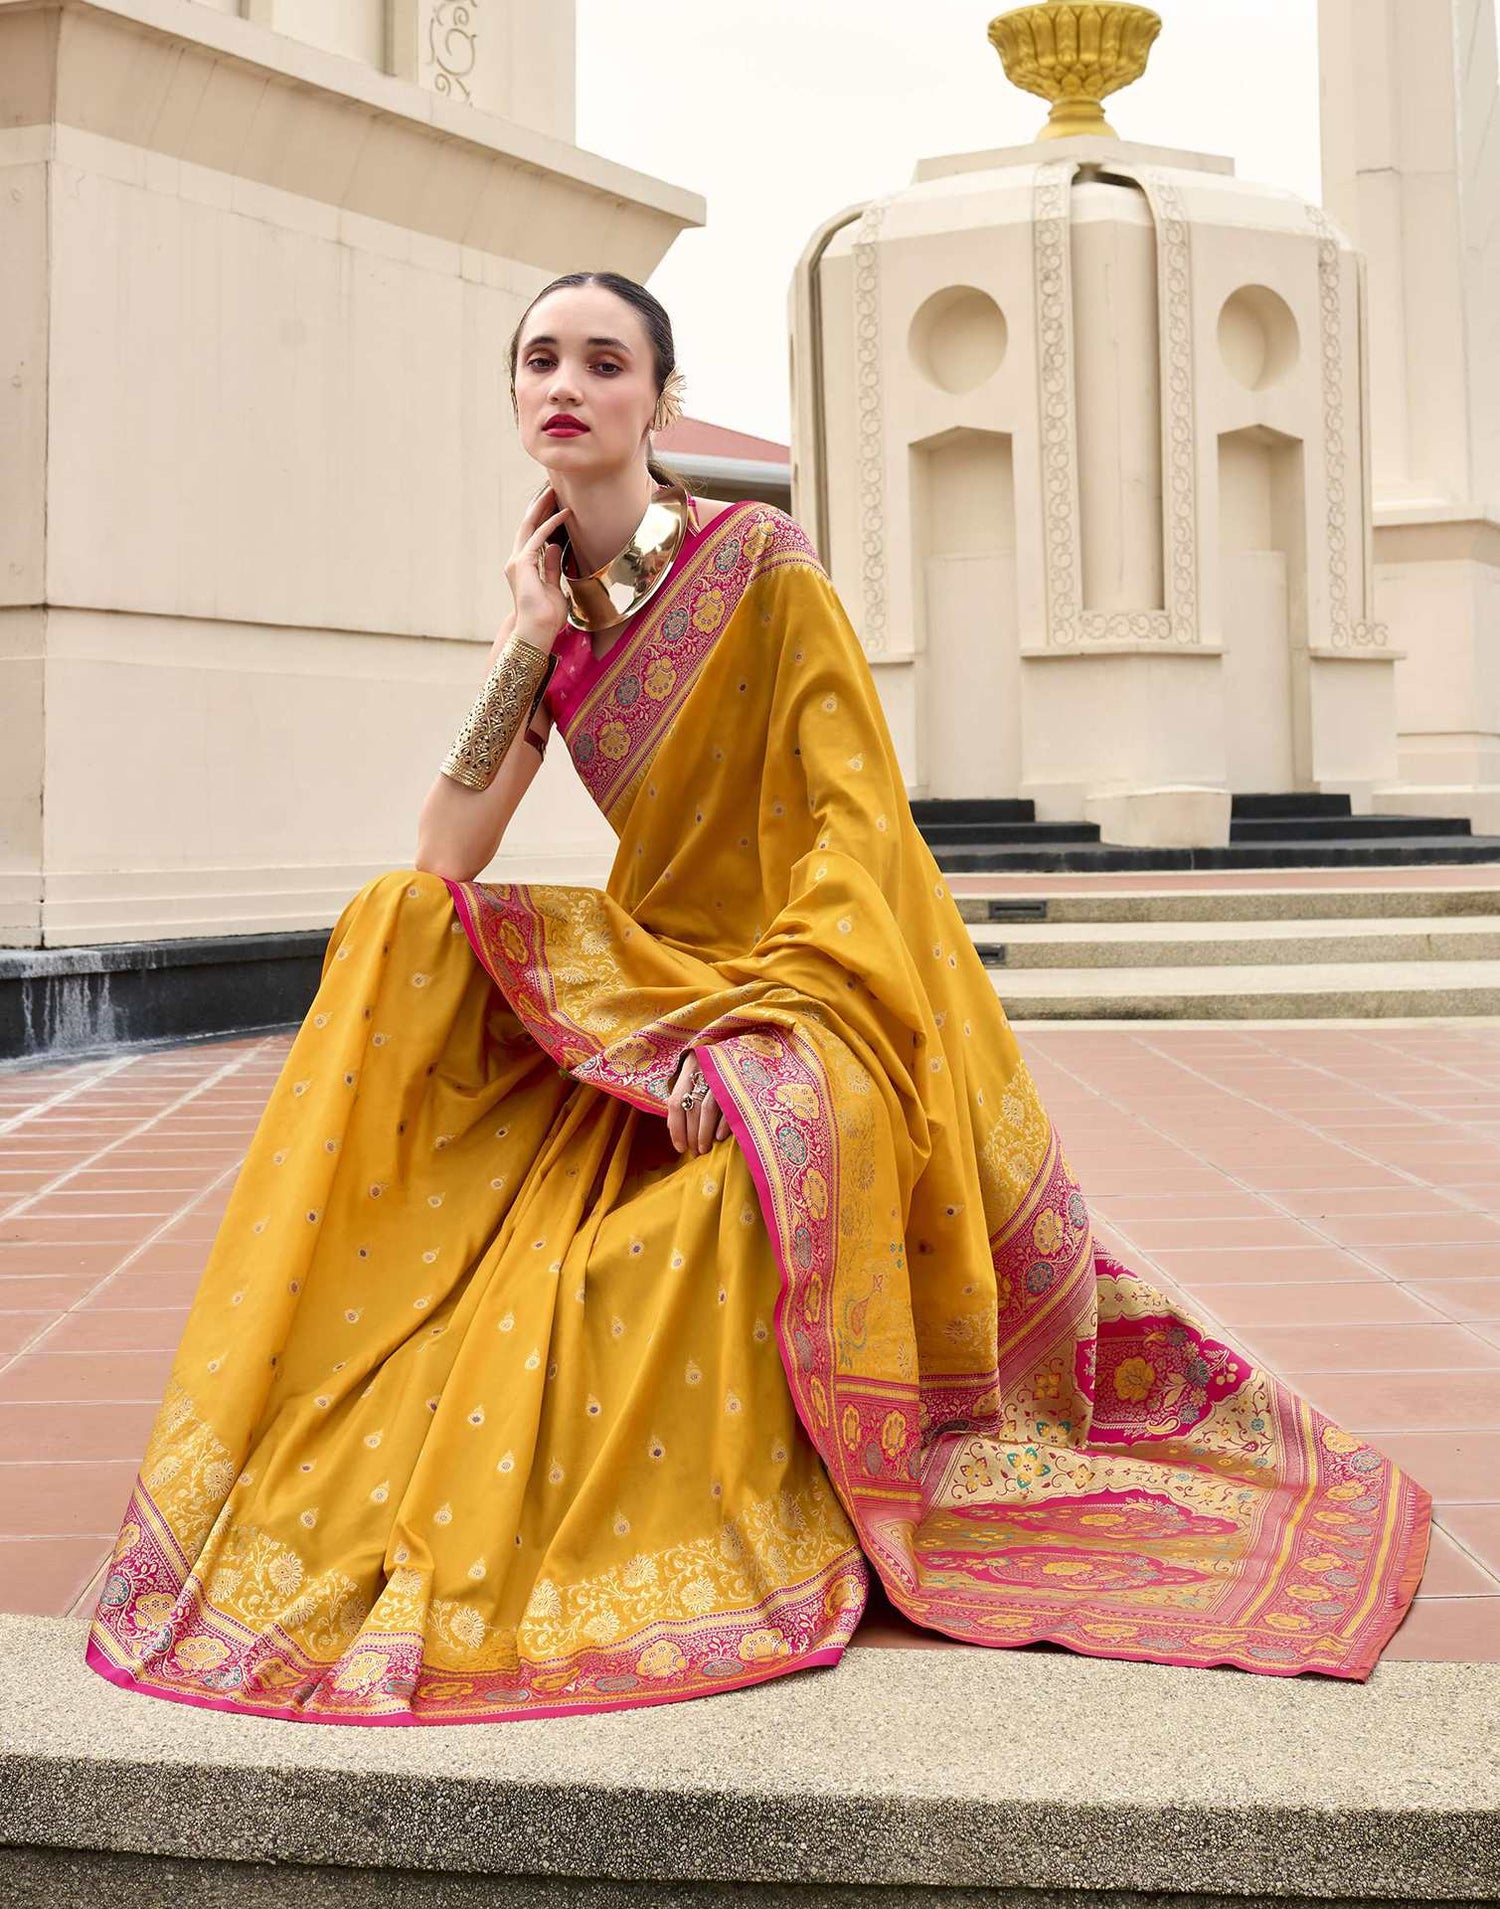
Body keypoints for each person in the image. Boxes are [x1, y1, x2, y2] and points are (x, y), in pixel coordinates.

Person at [84, 272, 1431, 1726]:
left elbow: (857, 839)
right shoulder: (565, 613)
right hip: (663, 977)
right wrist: (525, 639)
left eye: (606, 362)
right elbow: (444, 853)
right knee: (393, 924)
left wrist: (764, 1023)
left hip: (825, 980)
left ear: (658, 400)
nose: (570, 384)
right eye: (542, 359)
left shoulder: (759, 564)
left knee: (757, 1155)